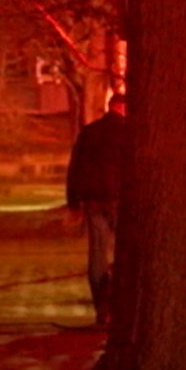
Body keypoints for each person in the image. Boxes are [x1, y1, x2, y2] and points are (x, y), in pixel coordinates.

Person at [66, 93, 129, 325]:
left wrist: (74, 201)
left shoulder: (90, 132)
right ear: (123, 108)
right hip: (120, 199)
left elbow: (76, 166)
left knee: (97, 253)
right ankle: (121, 306)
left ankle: (102, 310)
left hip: (93, 200)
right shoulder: (128, 134)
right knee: (125, 251)